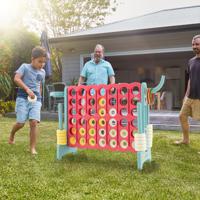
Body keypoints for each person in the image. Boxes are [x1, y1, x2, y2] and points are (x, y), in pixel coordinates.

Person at [8, 46, 47, 154]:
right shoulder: (24, 67)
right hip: (22, 97)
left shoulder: (42, 72)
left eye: (43, 62)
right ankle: (12, 134)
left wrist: (40, 98)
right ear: (32, 59)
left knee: (33, 122)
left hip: (36, 99)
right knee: (20, 123)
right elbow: (16, 78)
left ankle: (32, 148)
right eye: (39, 61)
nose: (41, 64)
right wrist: (27, 89)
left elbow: (39, 85)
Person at [175, 35, 200, 145]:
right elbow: (190, 79)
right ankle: (185, 140)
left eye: (197, 44)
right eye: (193, 44)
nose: (195, 46)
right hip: (190, 96)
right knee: (182, 116)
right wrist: (186, 95)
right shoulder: (191, 61)